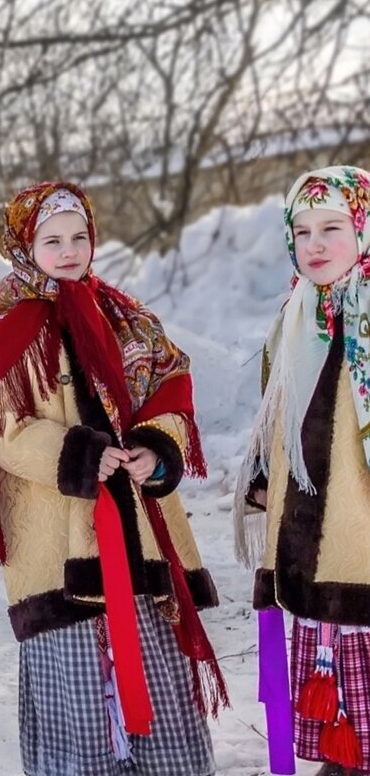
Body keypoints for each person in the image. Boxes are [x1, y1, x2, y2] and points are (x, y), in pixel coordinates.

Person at [0, 181, 225, 776]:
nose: (70, 249)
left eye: (79, 236)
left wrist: (157, 446)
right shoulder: (3, 326)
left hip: (139, 529)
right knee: (77, 660)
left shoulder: (123, 315)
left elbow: (169, 380)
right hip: (60, 533)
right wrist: (77, 454)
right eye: (52, 239)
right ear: (25, 245)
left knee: (155, 655)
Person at [236, 166, 370, 776]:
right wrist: (267, 478)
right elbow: (275, 415)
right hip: (313, 548)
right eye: (302, 229)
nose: (314, 244)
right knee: (337, 692)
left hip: (362, 542)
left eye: (332, 227)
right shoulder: (293, 320)